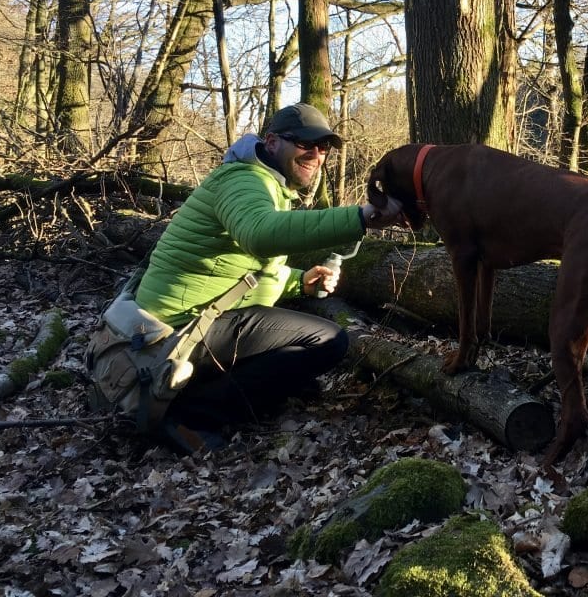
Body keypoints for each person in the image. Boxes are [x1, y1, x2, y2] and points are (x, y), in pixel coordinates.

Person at [133, 103, 403, 453]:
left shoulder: (268, 184)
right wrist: (359, 217)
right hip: (177, 330)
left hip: (188, 321)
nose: (316, 155)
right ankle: (189, 415)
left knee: (301, 346)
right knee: (329, 341)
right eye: (306, 144)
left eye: (323, 148)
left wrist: (300, 281)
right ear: (272, 141)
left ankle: (226, 393)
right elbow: (260, 234)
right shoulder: (243, 179)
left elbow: (251, 266)